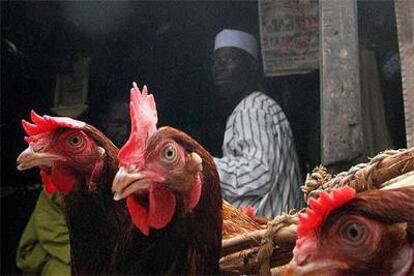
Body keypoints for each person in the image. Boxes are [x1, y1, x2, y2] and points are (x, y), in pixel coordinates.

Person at [16, 93, 130, 275]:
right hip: (65, 255)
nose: (124, 131)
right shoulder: (66, 183)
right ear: (105, 121)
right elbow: (52, 233)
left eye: (128, 125)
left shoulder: (134, 177)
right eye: (118, 123)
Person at [211, 29, 304, 218]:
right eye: (216, 61)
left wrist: (203, 168)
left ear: (251, 67)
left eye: (229, 59)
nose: (220, 66)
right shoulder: (259, 105)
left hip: (267, 237)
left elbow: (260, 171)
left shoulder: (251, 108)